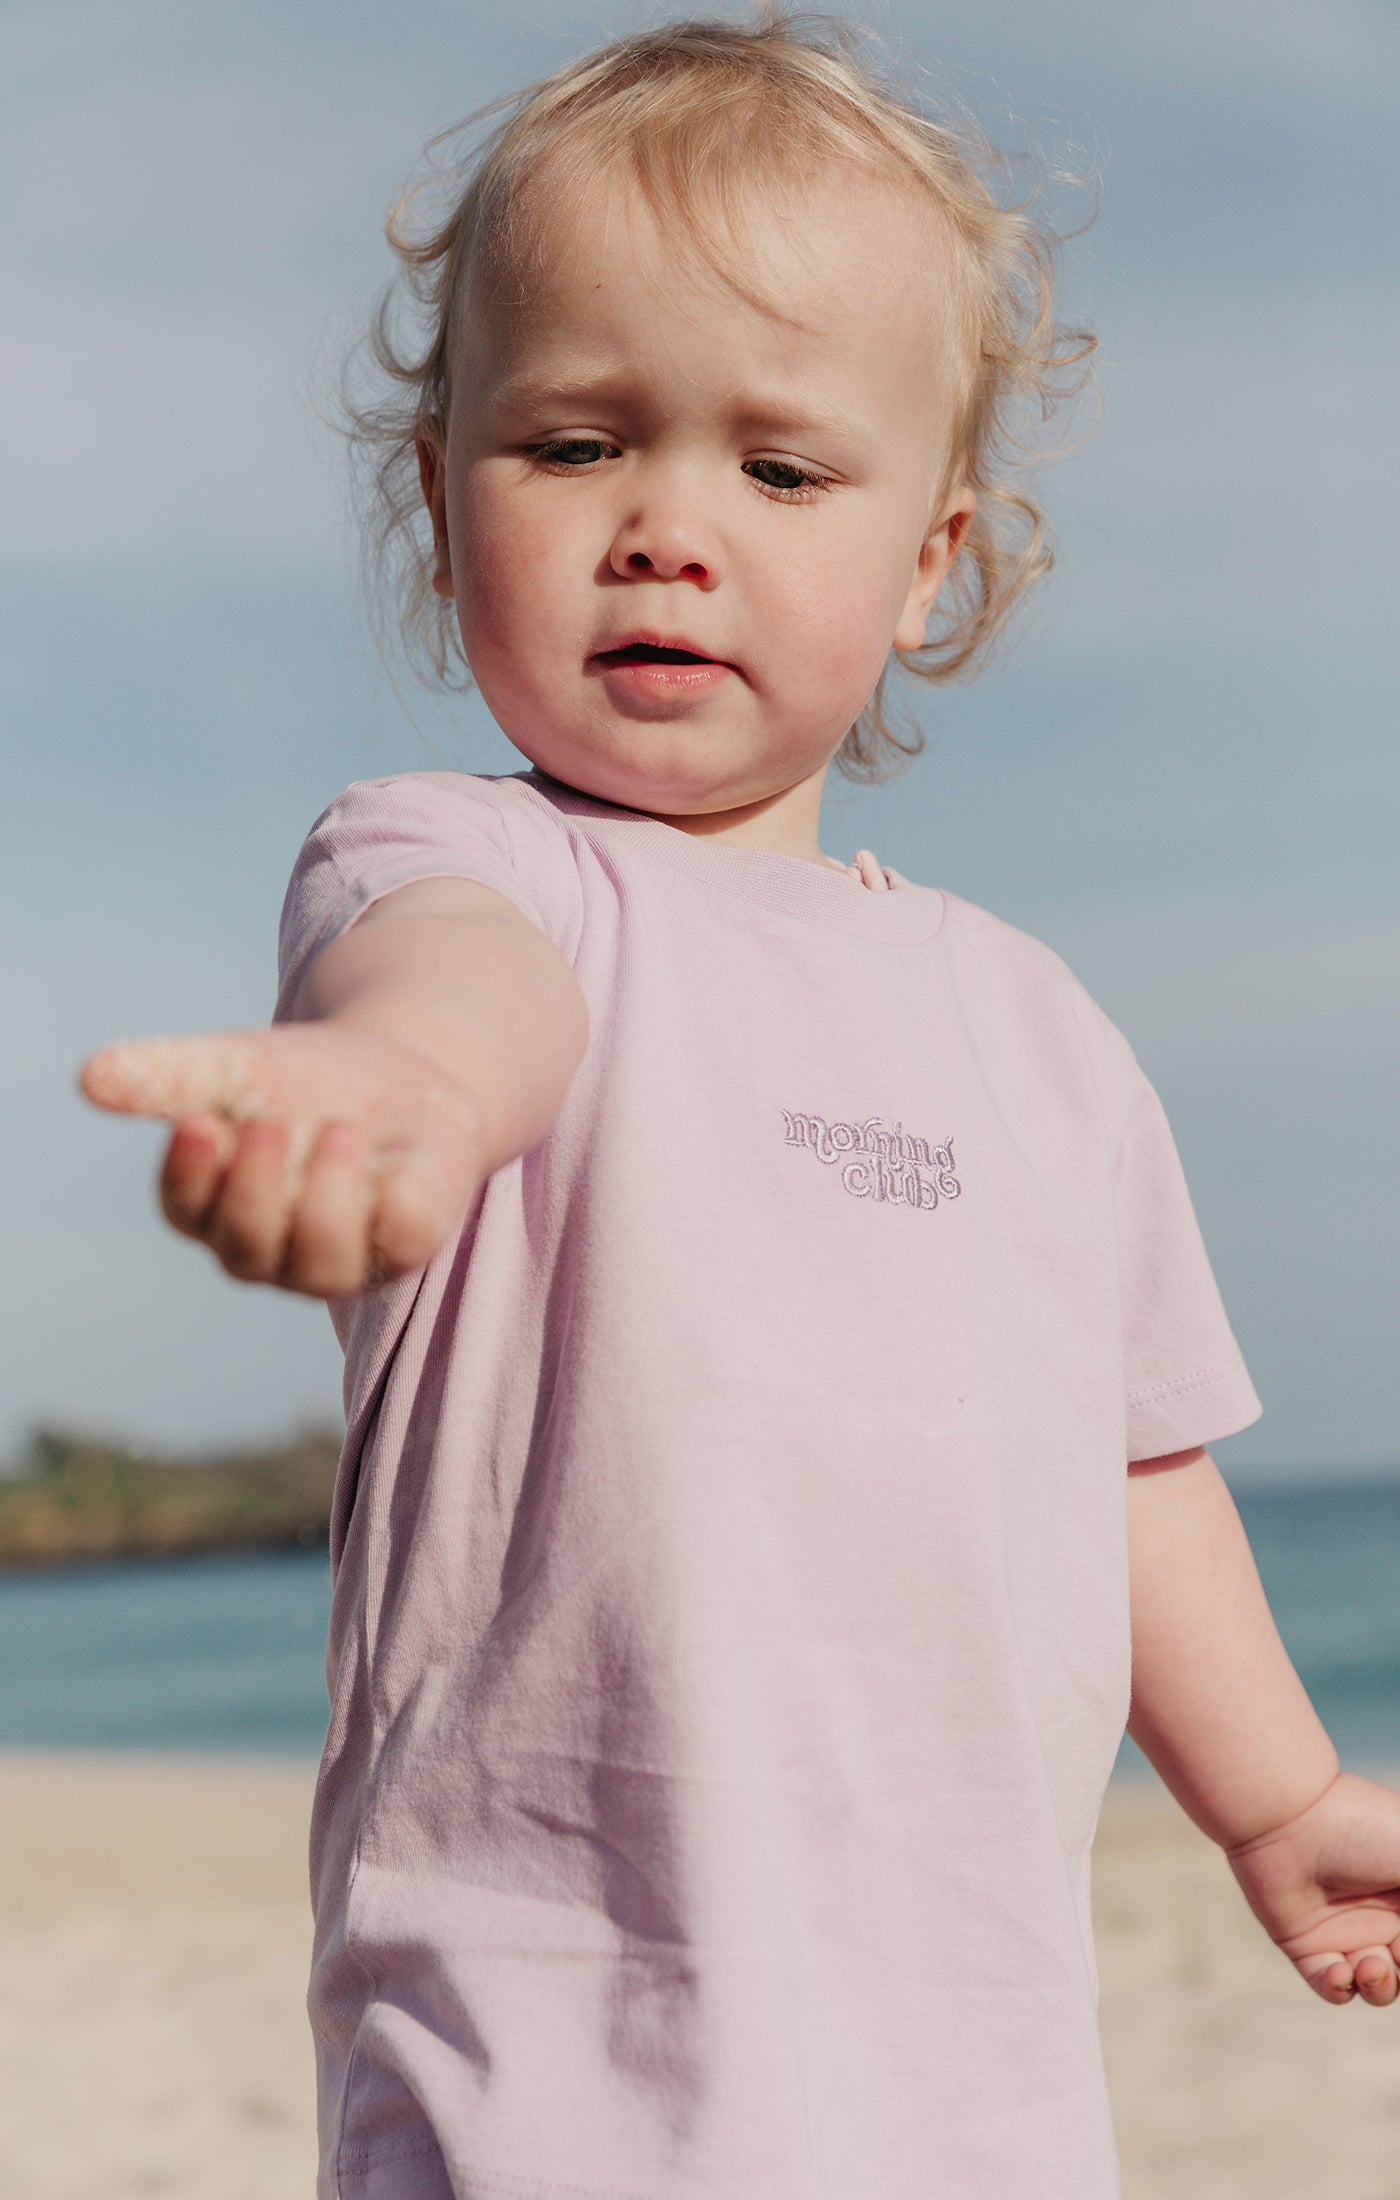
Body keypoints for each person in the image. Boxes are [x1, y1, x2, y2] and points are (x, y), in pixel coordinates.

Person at [80, 16, 1400, 2199]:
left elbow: (1135, 1460)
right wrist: (394, 1092)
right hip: (541, 2089)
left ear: (927, 562)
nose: (669, 530)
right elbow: (465, 1001)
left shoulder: (1038, 1034)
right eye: (576, 442)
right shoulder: (470, 867)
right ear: (441, 497)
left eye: (781, 474)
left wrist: (1271, 1797)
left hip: (975, 2109)